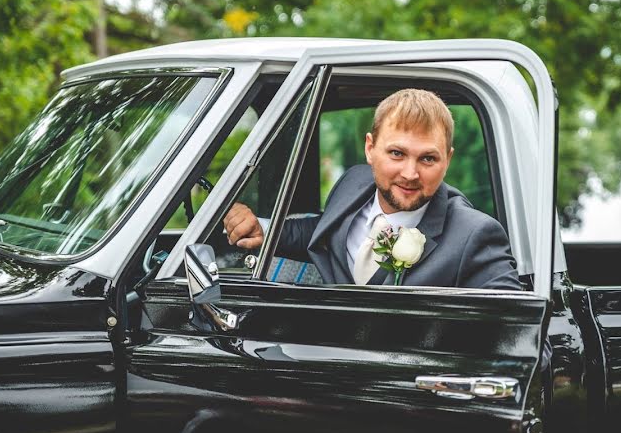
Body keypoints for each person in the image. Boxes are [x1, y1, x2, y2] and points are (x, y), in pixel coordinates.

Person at [223, 88, 520, 290]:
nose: (410, 173)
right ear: (370, 149)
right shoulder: (353, 183)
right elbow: (322, 230)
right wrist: (263, 229)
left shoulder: (475, 235)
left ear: (448, 160)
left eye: (428, 158)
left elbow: (523, 339)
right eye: (396, 154)